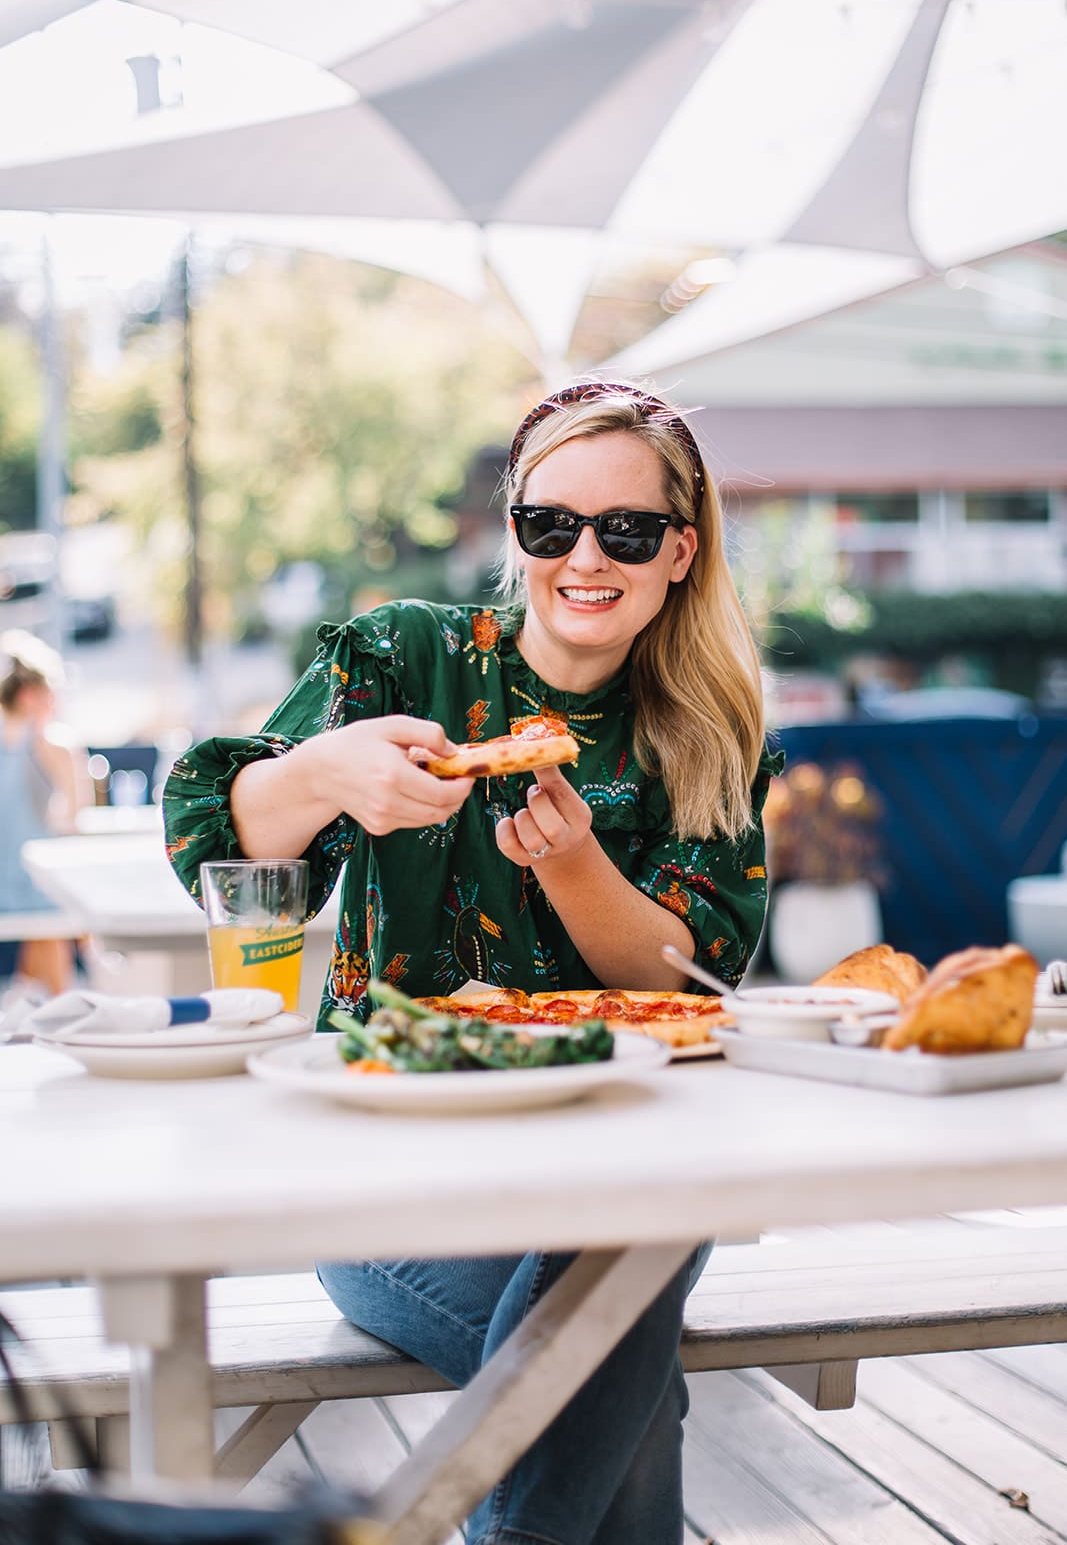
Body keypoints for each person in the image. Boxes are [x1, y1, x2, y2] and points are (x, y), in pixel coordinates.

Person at [164, 380, 781, 1545]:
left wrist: (574, 865)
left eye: (626, 530)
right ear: (514, 534)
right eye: (550, 524)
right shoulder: (408, 658)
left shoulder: (706, 727)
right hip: (390, 1180)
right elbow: (210, 844)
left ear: (679, 550)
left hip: (614, 1173)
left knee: (623, 1285)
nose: (584, 556)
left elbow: (694, 978)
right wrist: (315, 776)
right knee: (620, 1362)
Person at [0, 632, 91, 995]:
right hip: (42, 894)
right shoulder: (52, 745)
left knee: (27, 1003)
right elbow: (73, 822)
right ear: (30, 696)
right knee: (59, 1004)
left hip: (8, 895)